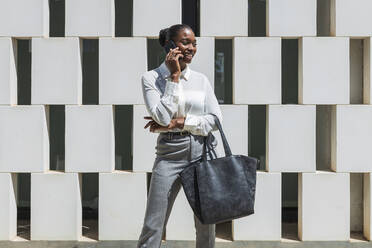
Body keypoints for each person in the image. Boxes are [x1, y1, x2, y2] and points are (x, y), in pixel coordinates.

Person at [136, 23, 223, 248]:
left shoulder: (201, 80)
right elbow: (161, 118)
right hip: (169, 154)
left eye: (194, 43)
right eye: (186, 42)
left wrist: (181, 122)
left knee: (206, 223)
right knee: (154, 222)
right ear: (170, 45)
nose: (191, 48)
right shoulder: (151, 79)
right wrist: (174, 77)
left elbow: (215, 120)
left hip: (201, 152)